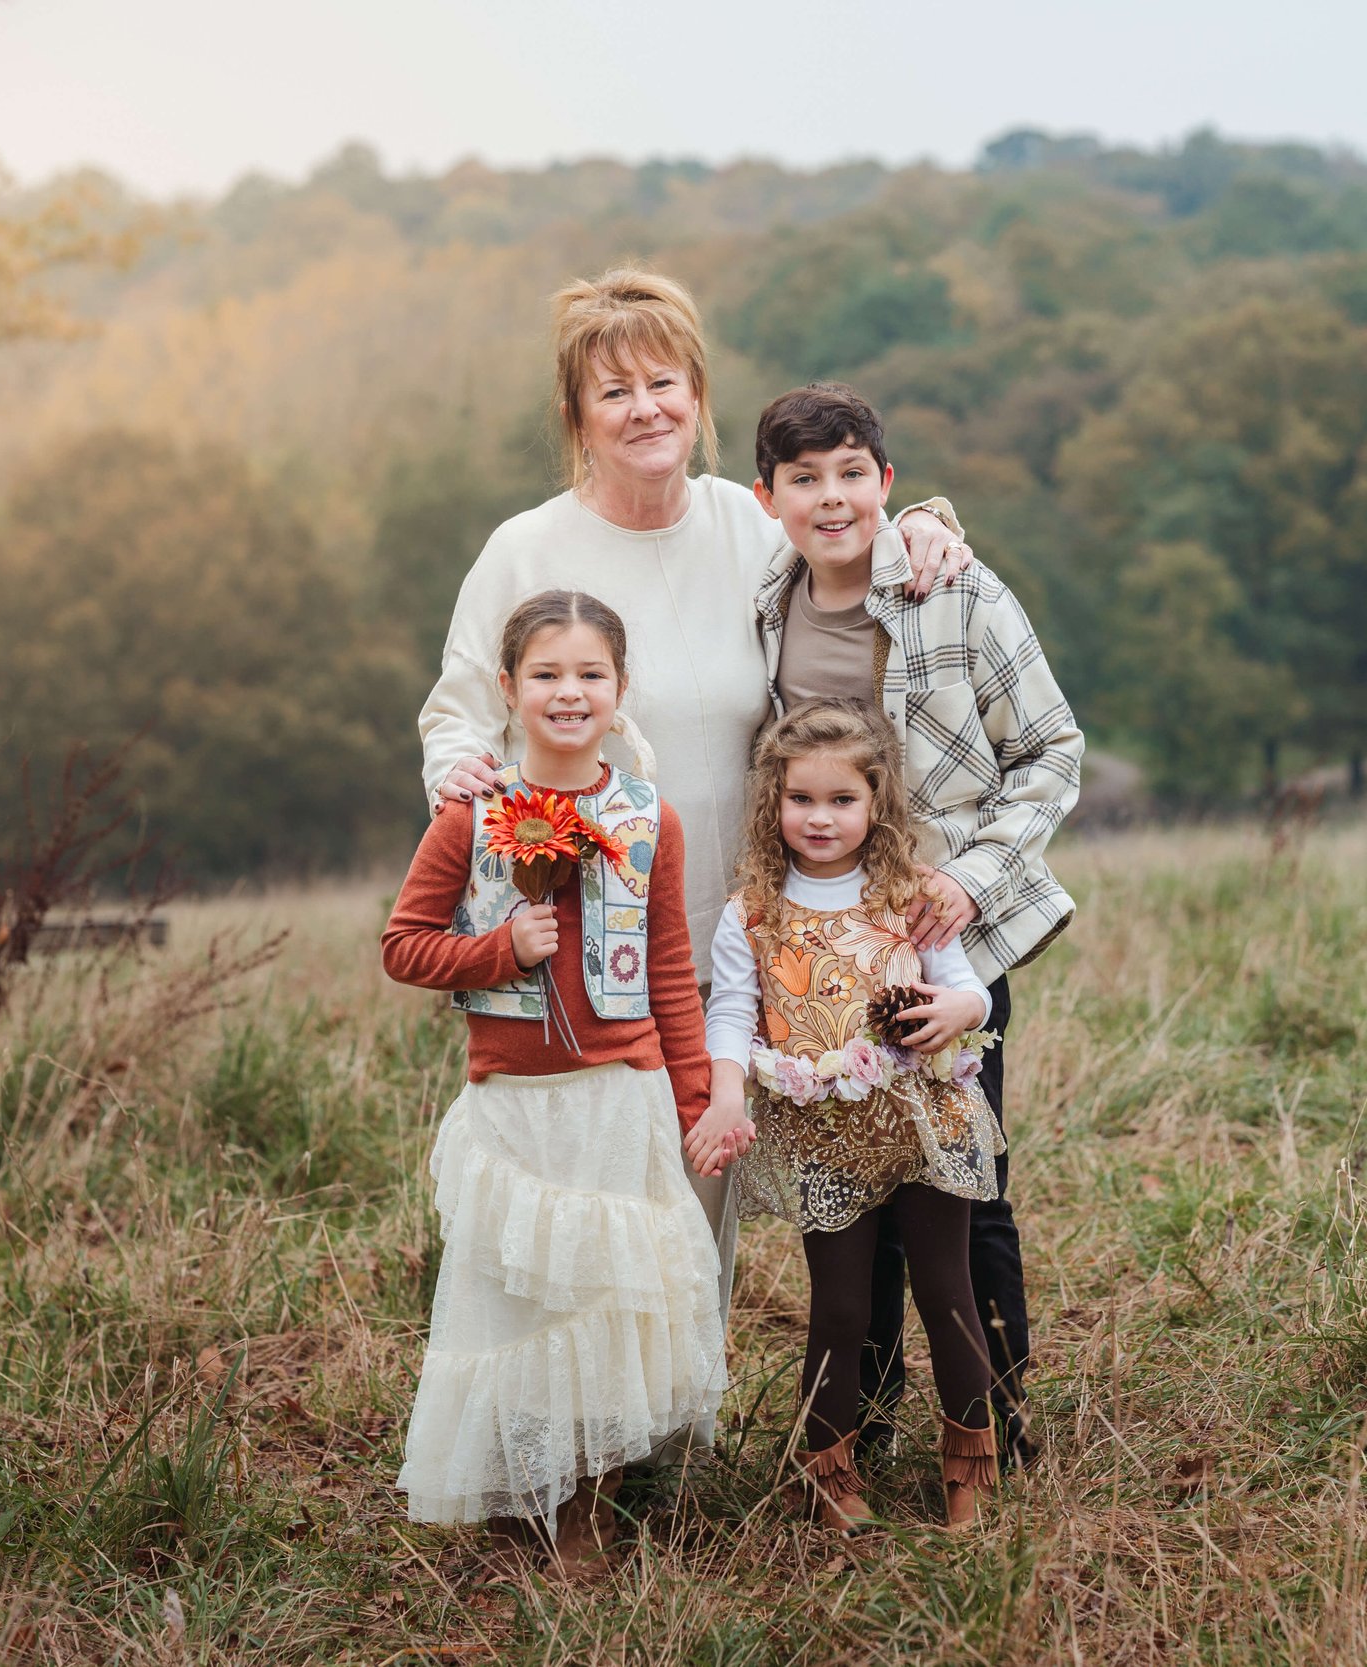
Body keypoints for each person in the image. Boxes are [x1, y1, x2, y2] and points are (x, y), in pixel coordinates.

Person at [418, 268, 973, 1318]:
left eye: (663, 382)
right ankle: (575, 1442)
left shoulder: (750, 525)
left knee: (702, 1174)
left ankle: (673, 1436)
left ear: (699, 395)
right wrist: (459, 771)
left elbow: (851, 538)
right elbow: (457, 709)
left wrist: (930, 522)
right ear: (576, 416)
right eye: (613, 391)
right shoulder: (525, 548)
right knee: (588, 1185)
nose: (645, 409)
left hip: (738, 928)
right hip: (583, 934)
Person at [744, 382, 1083, 1468]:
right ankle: (866, 1420)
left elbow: (1051, 749)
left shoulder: (961, 591)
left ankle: (997, 1421)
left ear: (886, 484)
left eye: (852, 473)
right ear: (771, 498)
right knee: (851, 1190)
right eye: (806, 479)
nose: (831, 497)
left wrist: (977, 880)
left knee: (959, 1185)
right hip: (820, 947)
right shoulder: (764, 601)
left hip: (942, 940)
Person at [382, 589, 723, 1577]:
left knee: (610, 1307)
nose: (567, 692)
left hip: (619, 1096)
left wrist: (694, 1100)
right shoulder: (472, 817)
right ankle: (513, 1495)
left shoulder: (647, 818)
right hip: (515, 1101)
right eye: (545, 674)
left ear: (620, 692)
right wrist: (497, 948)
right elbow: (404, 945)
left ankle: (588, 1509)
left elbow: (667, 970)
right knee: (517, 1303)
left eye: (589, 674)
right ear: (507, 688)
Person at [690, 701, 1006, 1529]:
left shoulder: (907, 896)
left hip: (920, 1118)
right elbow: (730, 1010)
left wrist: (954, 1011)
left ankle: (971, 1463)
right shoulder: (751, 913)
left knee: (946, 1287)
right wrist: (727, 1090)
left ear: (877, 803)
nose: (820, 818)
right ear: (775, 802)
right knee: (839, 1305)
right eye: (802, 800)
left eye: (841, 801)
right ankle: (826, 1471)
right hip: (822, 1131)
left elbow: (968, 983)